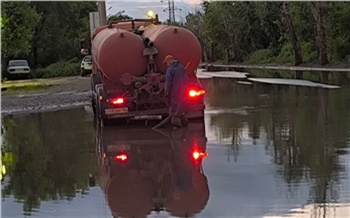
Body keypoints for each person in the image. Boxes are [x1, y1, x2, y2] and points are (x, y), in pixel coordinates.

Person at [163, 55, 189, 128]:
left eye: (166, 62)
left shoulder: (170, 70)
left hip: (175, 93)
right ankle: (185, 130)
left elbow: (168, 84)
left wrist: (166, 94)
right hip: (183, 92)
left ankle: (176, 134)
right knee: (182, 109)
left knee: (175, 112)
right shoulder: (181, 67)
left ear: (169, 61)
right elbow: (187, 79)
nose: (166, 64)